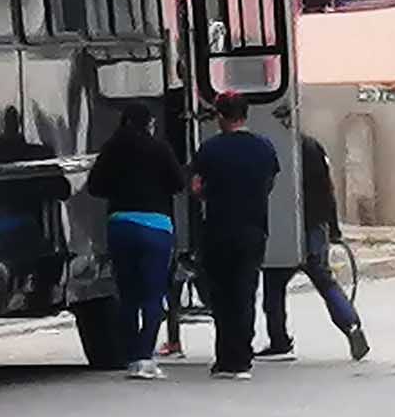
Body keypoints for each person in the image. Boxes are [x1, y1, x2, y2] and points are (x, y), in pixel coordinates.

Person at [86, 103, 187, 380]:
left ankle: (132, 357)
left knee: (128, 295)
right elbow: (179, 183)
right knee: (153, 294)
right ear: (148, 123)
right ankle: (145, 357)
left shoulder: (111, 148)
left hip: (121, 225)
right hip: (156, 227)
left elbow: (94, 186)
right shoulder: (160, 149)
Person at [190, 91, 280, 379]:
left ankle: (225, 358)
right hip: (253, 229)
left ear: (219, 116)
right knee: (245, 291)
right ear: (245, 114)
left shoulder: (210, 149)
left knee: (221, 295)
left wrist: (211, 195)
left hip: (218, 229)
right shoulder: (264, 147)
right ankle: (243, 358)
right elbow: (270, 182)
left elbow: (196, 188)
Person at [260, 135, 372, 361]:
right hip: (316, 225)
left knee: (274, 284)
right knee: (325, 280)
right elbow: (328, 188)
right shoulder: (312, 146)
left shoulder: (270, 144)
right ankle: (351, 325)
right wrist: (333, 228)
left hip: (286, 227)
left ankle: (279, 342)